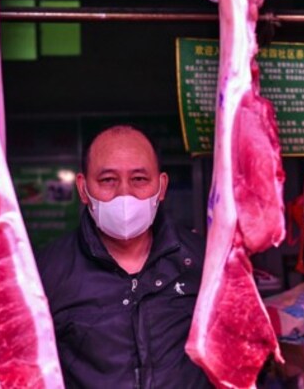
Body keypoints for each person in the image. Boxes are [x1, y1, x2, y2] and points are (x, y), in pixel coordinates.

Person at [35, 125, 212, 388]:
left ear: (161, 186)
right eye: (108, 180)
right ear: (83, 189)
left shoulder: (205, 261)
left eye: (139, 179)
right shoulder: (46, 271)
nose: (124, 194)